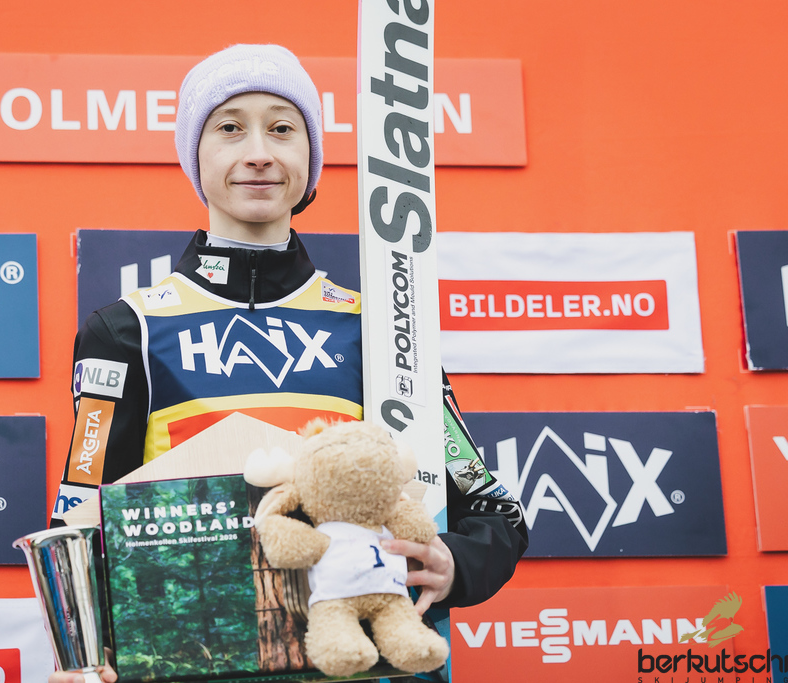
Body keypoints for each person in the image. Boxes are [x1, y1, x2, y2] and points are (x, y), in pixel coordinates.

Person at [49, 44, 528, 683]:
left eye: (282, 129)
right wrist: (84, 659)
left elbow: (490, 511)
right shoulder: (125, 330)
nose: (258, 152)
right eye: (229, 128)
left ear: (311, 154)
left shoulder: (382, 329)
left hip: (368, 664)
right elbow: (80, 521)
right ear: (194, 154)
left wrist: (454, 565)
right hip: (196, 663)